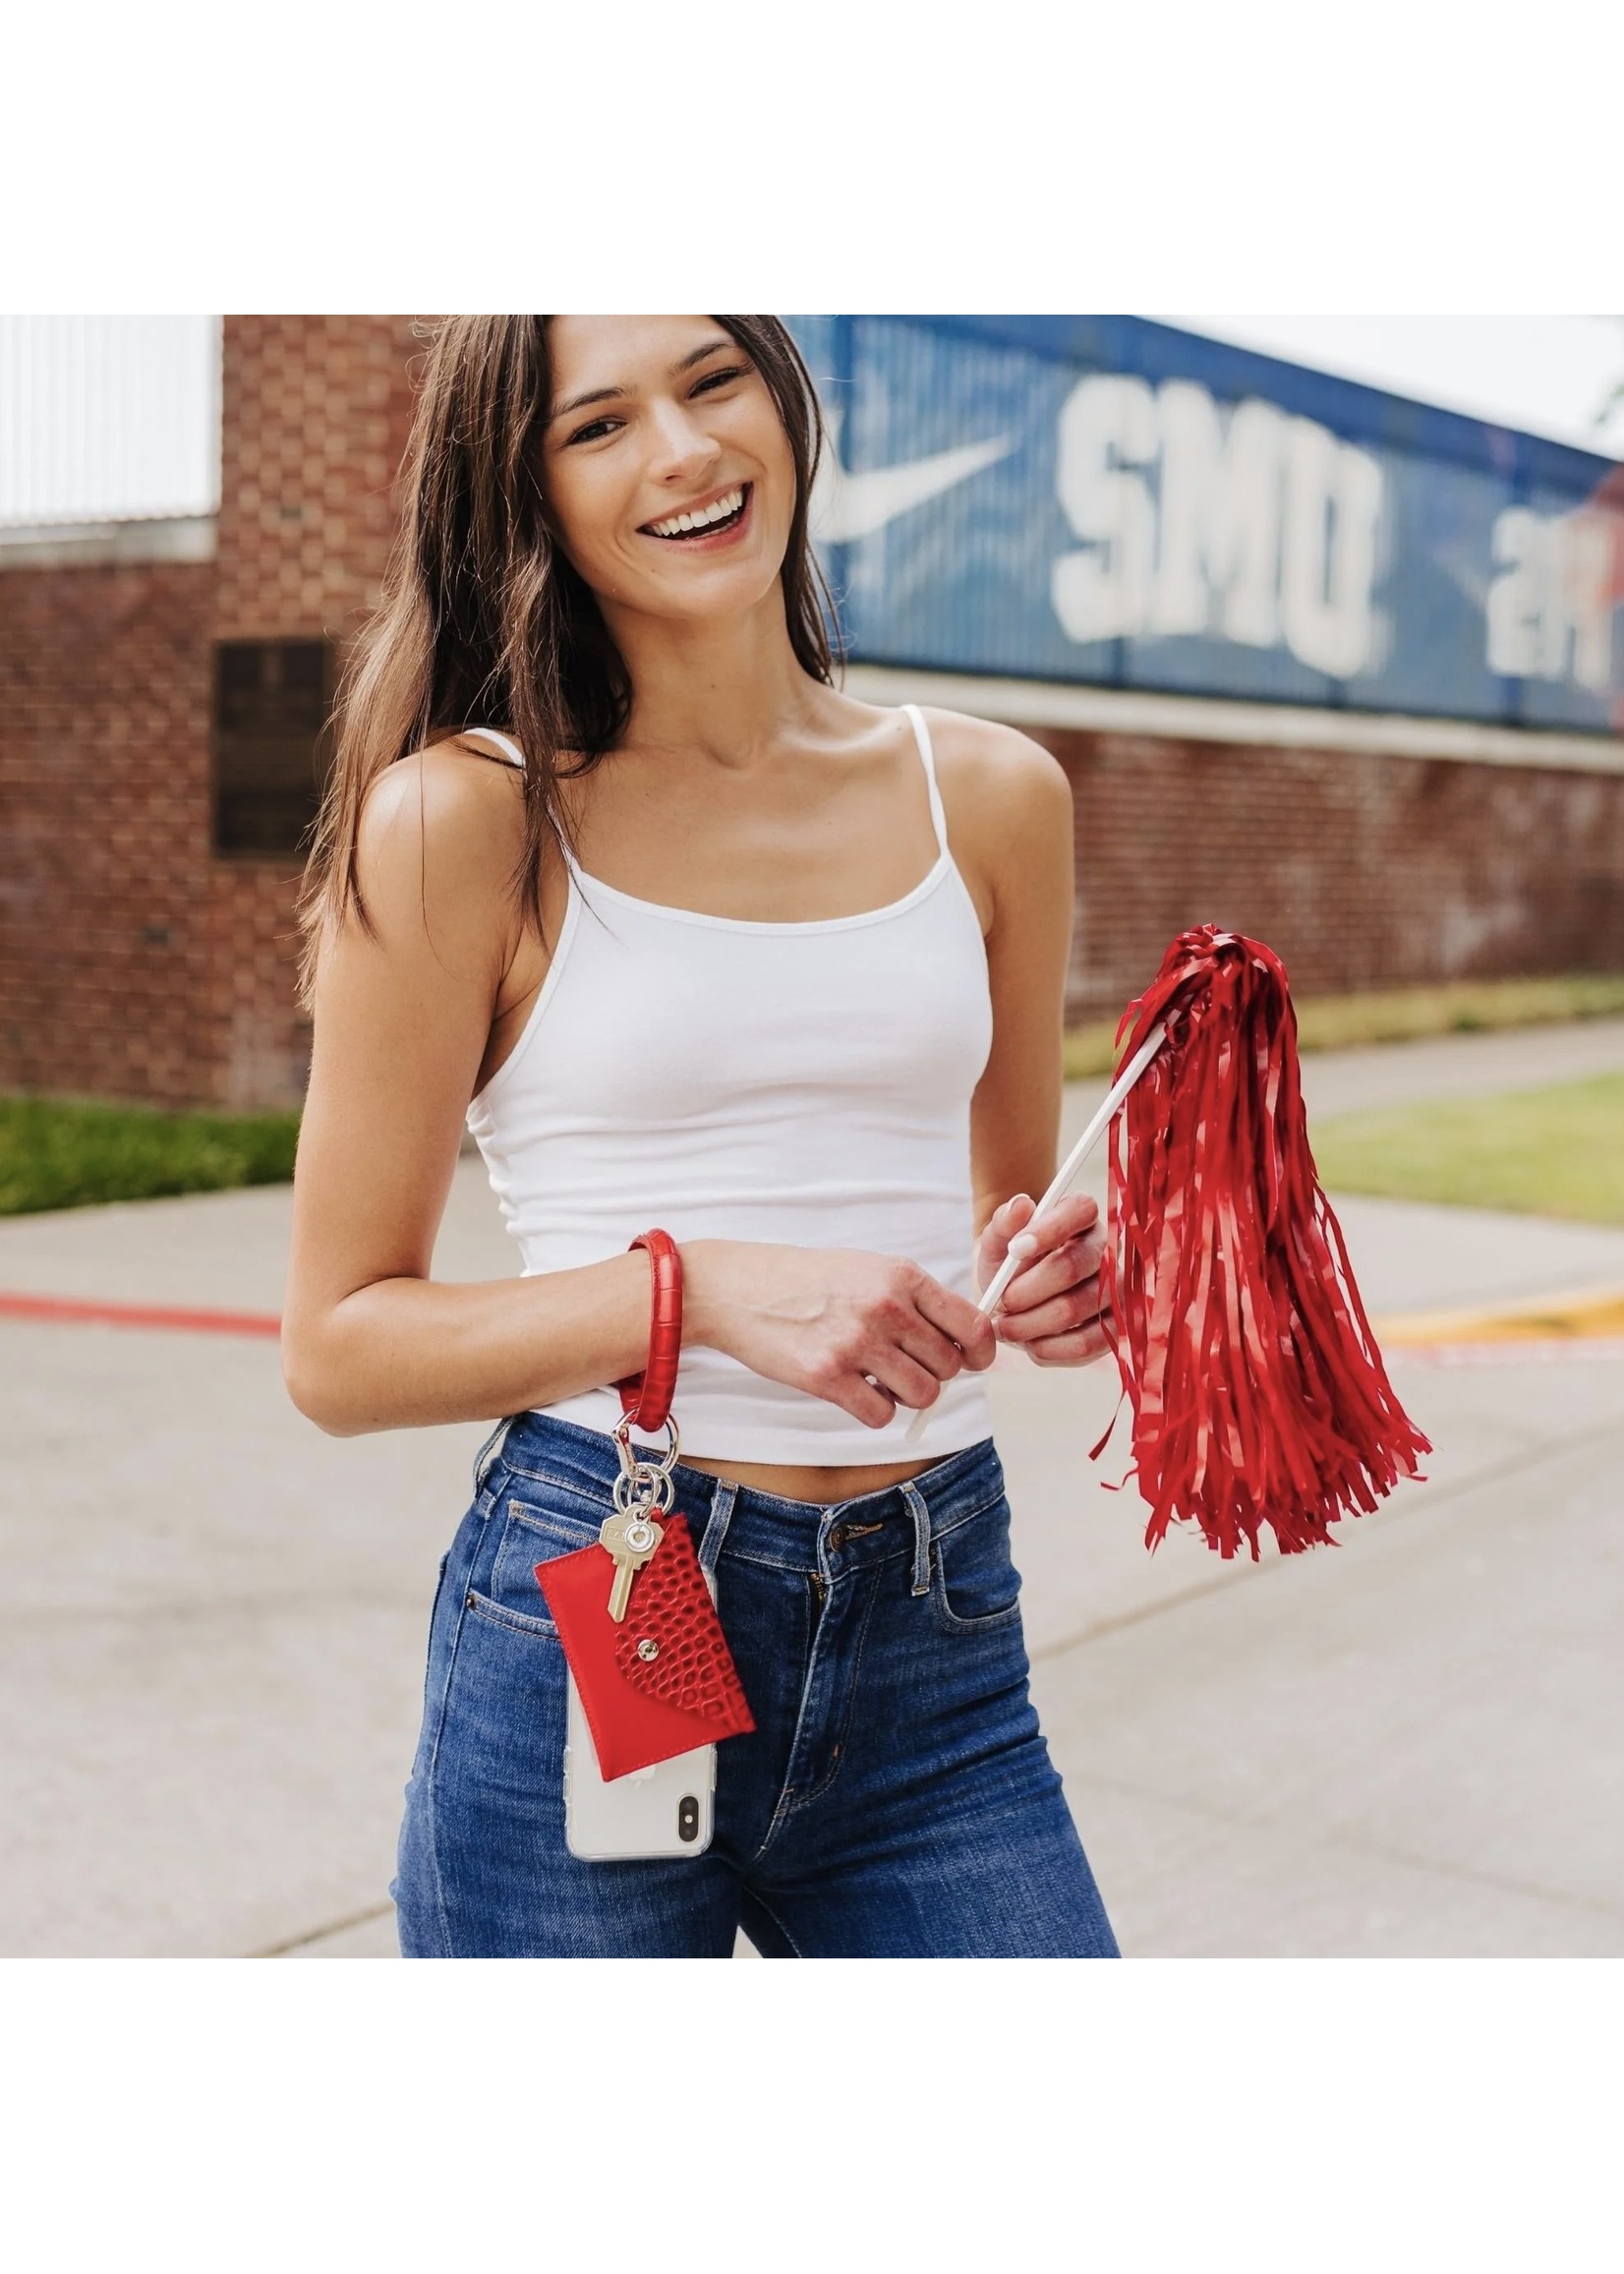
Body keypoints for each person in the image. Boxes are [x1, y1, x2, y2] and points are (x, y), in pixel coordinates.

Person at [283, 315, 1120, 1958]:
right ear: (527, 494)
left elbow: (1007, 1219)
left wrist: (1062, 1281)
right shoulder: (468, 817)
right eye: (599, 425)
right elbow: (338, 1345)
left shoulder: (997, 794)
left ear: (786, 400)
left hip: (934, 1621)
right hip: (597, 1597)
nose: (680, 450)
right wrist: (703, 1287)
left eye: (713, 380)